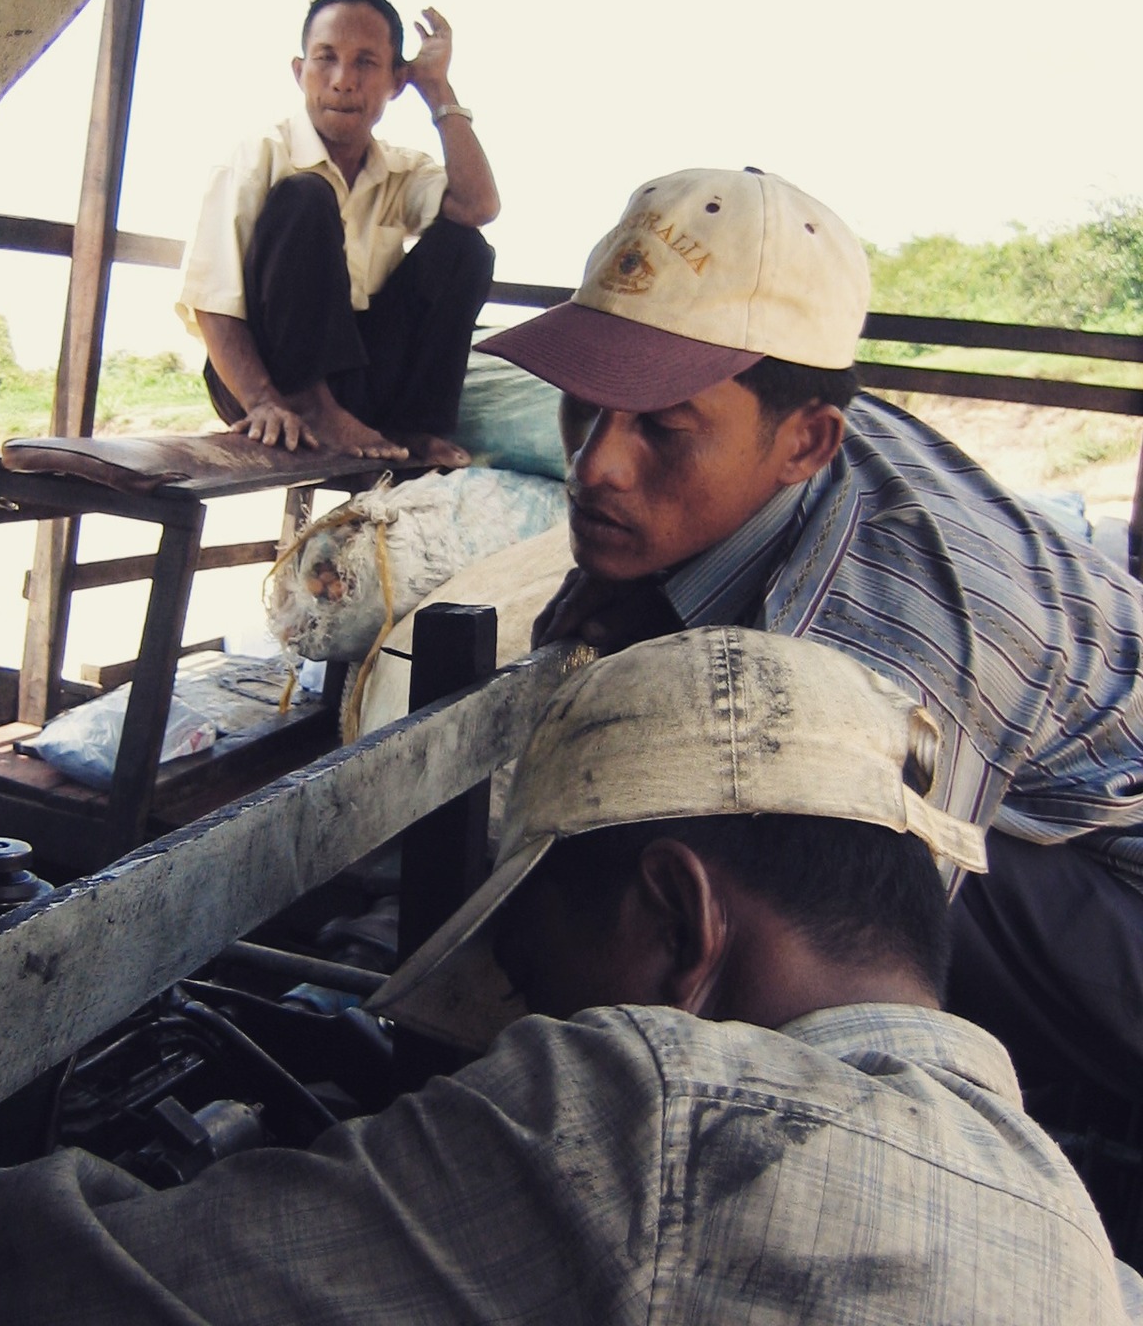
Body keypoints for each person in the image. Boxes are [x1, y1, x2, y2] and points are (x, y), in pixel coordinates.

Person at [0, 628, 1143, 1323]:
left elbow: (38, 1296)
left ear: (682, 923)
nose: (524, 1033)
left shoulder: (663, 1108)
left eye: (536, 985)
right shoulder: (1074, 1233)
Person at [477, 165, 1143, 1116]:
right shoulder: (787, 433)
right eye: (585, 405)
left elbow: (868, 988)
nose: (595, 468)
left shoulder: (884, 638)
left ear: (806, 443)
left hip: (1115, 878)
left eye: (662, 427)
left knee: (829, 895)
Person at [175, 0, 499, 468]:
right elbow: (213, 303)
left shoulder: (401, 169)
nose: (343, 80)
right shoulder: (259, 156)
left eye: (366, 62)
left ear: (396, 81)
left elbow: (477, 206)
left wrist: (437, 89)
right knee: (306, 195)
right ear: (299, 71)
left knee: (466, 248)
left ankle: (416, 426)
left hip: (358, 379)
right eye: (326, 58)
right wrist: (262, 401)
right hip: (261, 378)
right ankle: (311, 404)